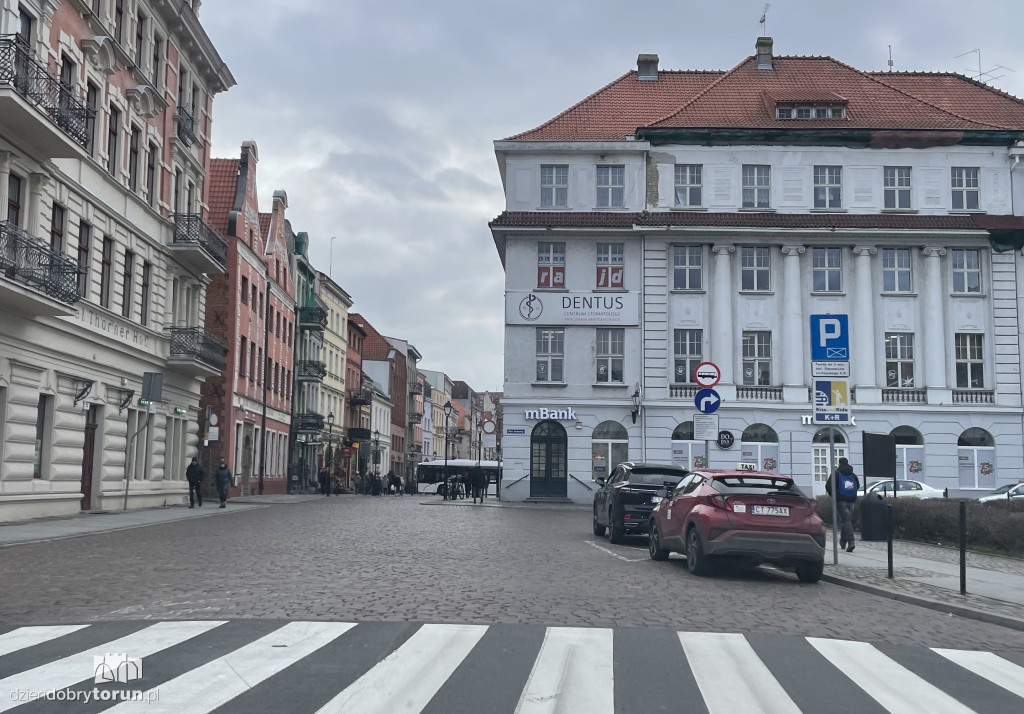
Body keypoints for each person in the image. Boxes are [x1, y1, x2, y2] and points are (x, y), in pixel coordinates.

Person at [826, 457, 860, 552]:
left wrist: (835, 495)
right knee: (846, 520)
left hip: (841, 500)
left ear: (839, 463)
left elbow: (828, 486)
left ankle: (851, 541)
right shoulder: (853, 474)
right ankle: (843, 541)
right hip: (852, 500)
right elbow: (857, 485)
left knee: (846, 520)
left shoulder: (836, 473)